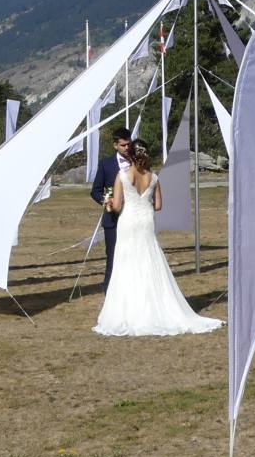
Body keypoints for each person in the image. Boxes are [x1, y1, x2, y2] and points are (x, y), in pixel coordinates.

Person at [94, 141, 222, 337]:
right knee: (149, 259)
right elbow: (158, 205)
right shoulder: (154, 177)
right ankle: (154, 304)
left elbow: (118, 205)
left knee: (127, 261)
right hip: (146, 220)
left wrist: (109, 203)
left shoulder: (122, 176)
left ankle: (130, 309)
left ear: (131, 155)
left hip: (128, 221)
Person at [90, 129, 133, 292]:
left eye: (128, 144)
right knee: (113, 255)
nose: (126, 148)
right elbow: (95, 191)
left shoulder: (137, 163)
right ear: (115, 145)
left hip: (132, 216)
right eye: (123, 145)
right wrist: (108, 202)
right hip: (112, 218)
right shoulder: (106, 164)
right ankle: (109, 289)